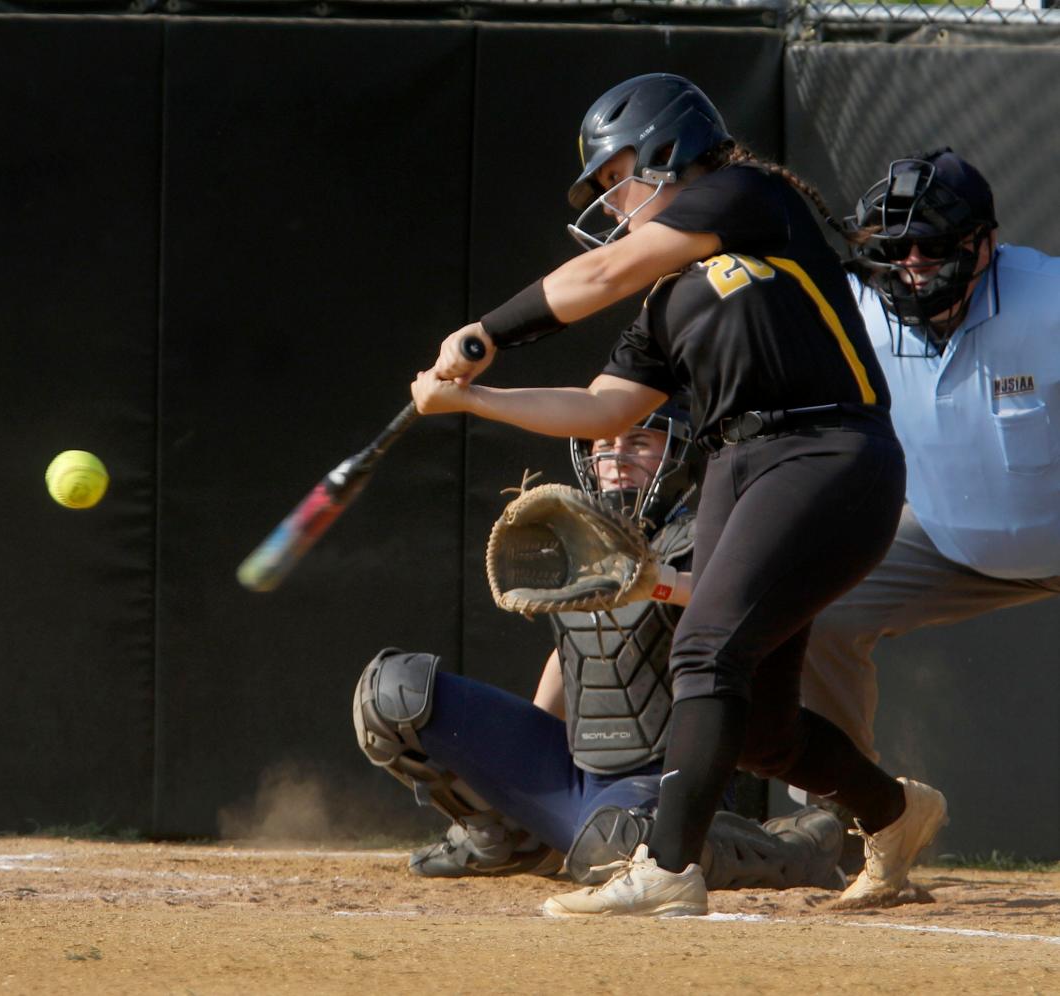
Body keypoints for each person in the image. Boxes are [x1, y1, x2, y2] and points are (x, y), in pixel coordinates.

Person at [405, 72, 946, 917]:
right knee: (764, 732)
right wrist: (472, 397)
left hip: (829, 449)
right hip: (741, 464)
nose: (612, 197)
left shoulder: (748, 195)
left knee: (704, 650)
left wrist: (486, 334)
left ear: (668, 147)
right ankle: (895, 812)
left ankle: (667, 869)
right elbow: (603, 408)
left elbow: (604, 272)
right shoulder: (666, 300)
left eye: (619, 172)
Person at [356, 413, 848, 893]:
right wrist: (517, 763)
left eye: (638, 442)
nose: (615, 456)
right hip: (575, 772)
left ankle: (795, 851)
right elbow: (571, 657)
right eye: (603, 443)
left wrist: (660, 585)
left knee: (612, 845)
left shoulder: (712, 532)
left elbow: (745, 600)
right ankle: (510, 837)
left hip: (667, 784)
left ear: (677, 453)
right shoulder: (577, 540)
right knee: (392, 693)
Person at [798, 150, 1060, 761]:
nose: (912, 265)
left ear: (986, 245)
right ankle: (845, 814)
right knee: (816, 609)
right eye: (892, 248)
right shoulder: (852, 310)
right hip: (948, 542)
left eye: (933, 245)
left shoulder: (1048, 302)